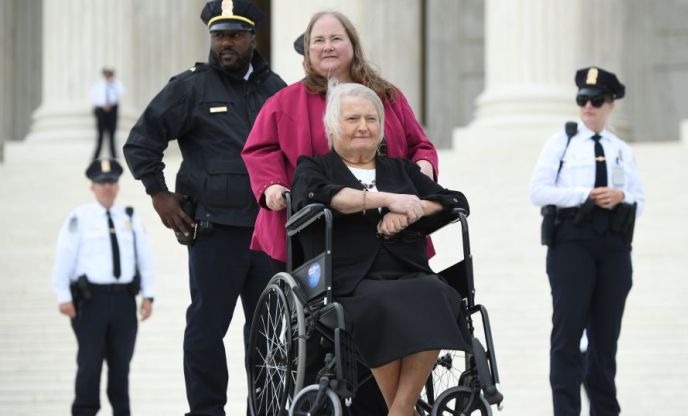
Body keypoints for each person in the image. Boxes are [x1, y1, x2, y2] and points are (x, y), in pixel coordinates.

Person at [241, 10, 438, 414]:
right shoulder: (285, 102)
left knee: (424, 297)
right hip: (324, 234)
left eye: (336, 39)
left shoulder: (387, 96)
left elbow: (421, 145)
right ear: (307, 52)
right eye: (319, 41)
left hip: (394, 231)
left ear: (353, 45)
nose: (328, 47)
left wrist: (423, 172)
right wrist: (273, 185)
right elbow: (260, 151)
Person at [122, 1, 286, 414]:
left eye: (234, 34)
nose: (225, 43)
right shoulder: (191, 87)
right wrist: (159, 193)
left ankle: (264, 409)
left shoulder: (277, 91)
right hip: (216, 232)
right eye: (218, 35)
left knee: (269, 334)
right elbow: (141, 141)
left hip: (269, 233)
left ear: (253, 37)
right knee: (205, 329)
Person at [291, 83, 471, 416]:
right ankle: (404, 411)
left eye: (371, 119)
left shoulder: (400, 169)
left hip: (408, 270)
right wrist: (386, 200)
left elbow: (453, 202)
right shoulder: (314, 168)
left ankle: (400, 411)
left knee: (439, 295)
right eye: (352, 118)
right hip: (348, 280)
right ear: (332, 126)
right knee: (377, 304)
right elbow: (323, 196)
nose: (363, 127)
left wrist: (409, 211)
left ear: (382, 127)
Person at [528, 67, 646, 416]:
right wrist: (585, 194)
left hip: (613, 245)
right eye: (582, 100)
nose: (588, 107)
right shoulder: (561, 143)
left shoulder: (621, 150)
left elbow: (640, 200)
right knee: (567, 335)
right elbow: (538, 191)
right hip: (571, 243)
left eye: (596, 101)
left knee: (605, 339)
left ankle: (605, 411)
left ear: (610, 105)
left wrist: (620, 195)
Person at [52, 158, 155, 416]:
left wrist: (148, 295)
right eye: (101, 182)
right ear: (92, 186)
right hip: (91, 302)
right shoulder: (79, 218)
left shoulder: (128, 218)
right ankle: (85, 411)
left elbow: (145, 258)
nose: (107, 187)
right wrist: (63, 295)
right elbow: (64, 256)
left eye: (111, 182)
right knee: (89, 364)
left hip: (123, 301)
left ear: (118, 186)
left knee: (121, 366)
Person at [90, 68, 125, 160]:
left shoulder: (115, 84)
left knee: (112, 134)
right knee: (100, 134)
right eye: (106, 74)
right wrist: (102, 105)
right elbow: (93, 97)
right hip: (101, 110)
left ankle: (114, 155)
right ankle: (95, 156)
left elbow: (121, 91)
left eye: (110, 74)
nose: (108, 76)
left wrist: (113, 83)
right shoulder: (98, 85)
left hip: (112, 110)